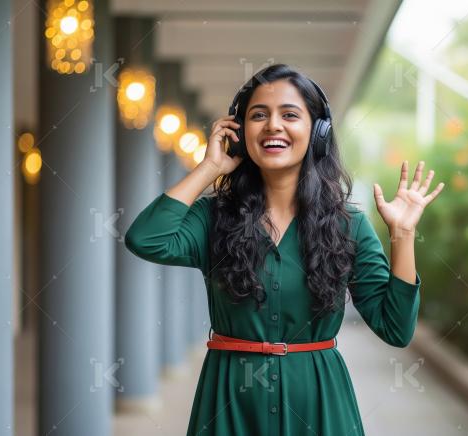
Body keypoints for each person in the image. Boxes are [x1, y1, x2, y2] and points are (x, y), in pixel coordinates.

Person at [124, 64, 444, 435]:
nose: (273, 125)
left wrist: (402, 235)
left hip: (320, 408)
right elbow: (145, 238)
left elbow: (396, 328)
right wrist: (209, 167)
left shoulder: (348, 225)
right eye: (258, 115)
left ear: (318, 131)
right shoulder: (212, 217)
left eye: (289, 115)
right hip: (230, 406)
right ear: (241, 133)